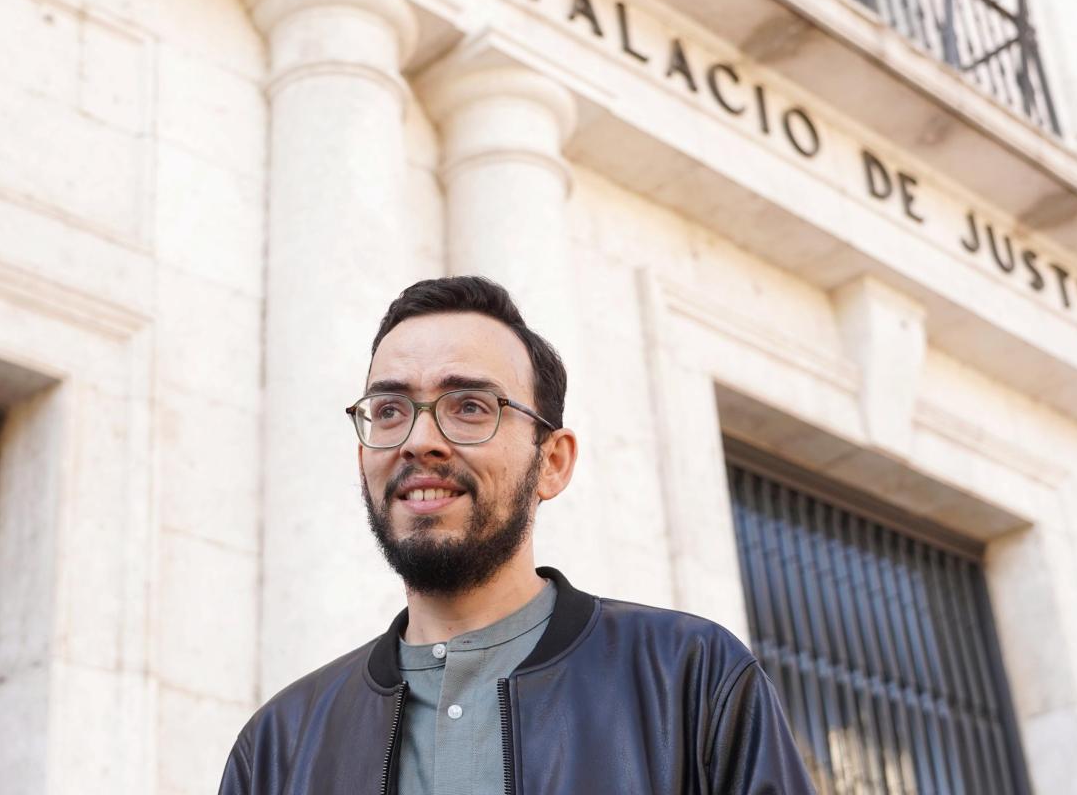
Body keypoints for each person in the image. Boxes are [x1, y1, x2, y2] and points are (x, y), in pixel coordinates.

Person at [219, 276, 816, 795]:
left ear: (552, 462)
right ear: (362, 460)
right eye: (391, 410)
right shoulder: (277, 747)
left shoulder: (693, 679)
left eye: (469, 407)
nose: (418, 441)